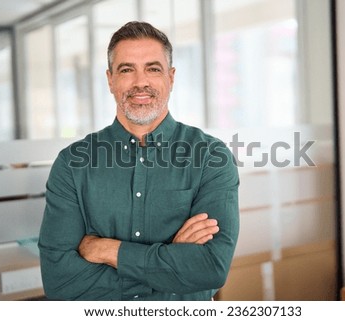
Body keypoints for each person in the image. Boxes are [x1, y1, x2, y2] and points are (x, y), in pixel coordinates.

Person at [38, 21, 239, 301]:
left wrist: (108, 251)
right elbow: (61, 284)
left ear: (171, 77)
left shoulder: (210, 157)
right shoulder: (72, 164)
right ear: (110, 80)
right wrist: (169, 261)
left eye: (153, 69)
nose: (140, 82)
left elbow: (210, 269)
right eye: (126, 69)